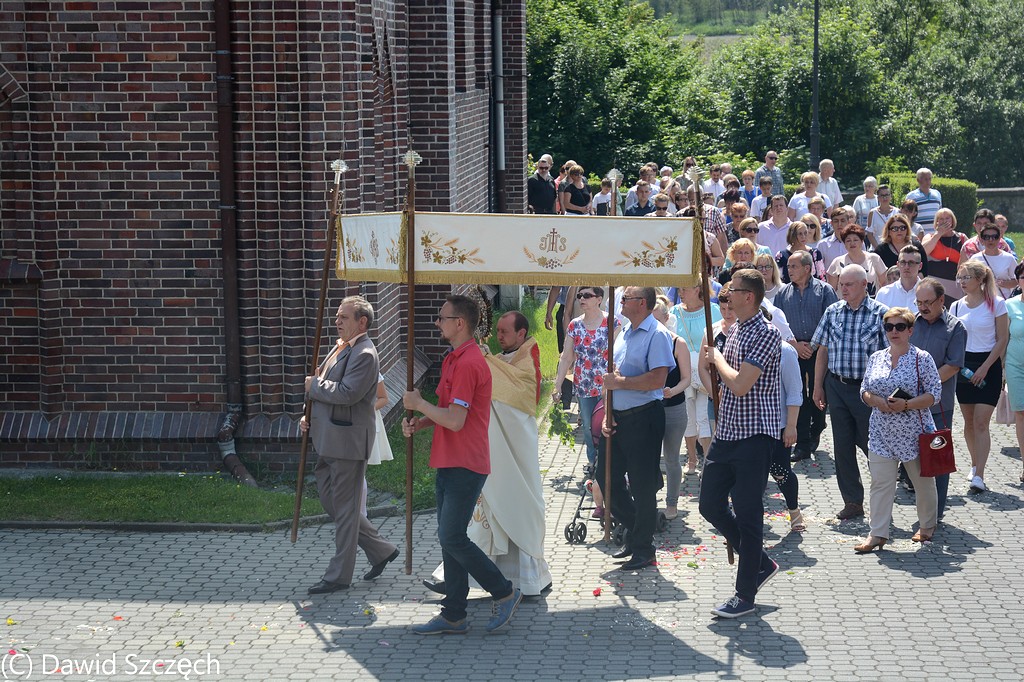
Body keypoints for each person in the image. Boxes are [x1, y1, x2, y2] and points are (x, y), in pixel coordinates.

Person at [403, 295, 522, 635]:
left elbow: (456, 421)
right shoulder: (454, 358)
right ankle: (454, 614)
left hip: (466, 462)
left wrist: (419, 404)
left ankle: (504, 591)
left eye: (442, 318)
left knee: (452, 536)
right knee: (449, 538)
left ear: (460, 323)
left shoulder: (469, 363)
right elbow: (448, 410)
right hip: (450, 460)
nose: (437, 323)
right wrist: (421, 422)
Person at [426, 311, 553, 598]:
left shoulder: (526, 361)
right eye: (497, 331)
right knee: (482, 519)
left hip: (514, 455)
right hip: (490, 452)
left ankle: (528, 579)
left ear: (521, 334)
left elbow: (520, 402)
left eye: (505, 332)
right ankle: (458, 581)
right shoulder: (495, 360)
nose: (499, 336)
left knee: (517, 508)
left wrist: (485, 363)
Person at [699, 268, 782, 619]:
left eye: (732, 290)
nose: (726, 295)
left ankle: (744, 595)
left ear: (748, 296)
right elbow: (721, 385)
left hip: (754, 437)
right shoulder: (734, 330)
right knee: (709, 505)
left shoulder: (766, 333)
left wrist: (716, 358)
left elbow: (740, 384)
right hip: (728, 433)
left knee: (749, 516)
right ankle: (760, 561)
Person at [302, 297, 400, 595]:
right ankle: (381, 550)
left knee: (345, 510)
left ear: (362, 322)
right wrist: (307, 415)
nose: (337, 321)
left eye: (343, 317)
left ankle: (338, 576)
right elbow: (322, 384)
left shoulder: (365, 354)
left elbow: (347, 393)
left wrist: (313, 386)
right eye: (337, 316)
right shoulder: (340, 347)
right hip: (327, 438)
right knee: (331, 502)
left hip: (347, 442)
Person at [854, 307, 942, 552]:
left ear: (910, 330)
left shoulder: (922, 358)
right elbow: (864, 390)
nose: (894, 331)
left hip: (915, 432)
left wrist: (907, 404)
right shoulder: (876, 357)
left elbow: (934, 394)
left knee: (922, 482)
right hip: (881, 431)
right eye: (889, 327)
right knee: (880, 483)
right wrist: (875, 400)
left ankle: (927, 526)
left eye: (900, 327)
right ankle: (877, 534)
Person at [601, 286, 675, 571]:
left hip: (643, 417)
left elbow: (657, 379)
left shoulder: (656, 334)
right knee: (605, 478)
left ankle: (643, 549)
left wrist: (620, 383)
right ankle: (637, 531)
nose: (621, 301)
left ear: (642, 303)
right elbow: (612, 377)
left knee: (642, 485)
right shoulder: (624, 331)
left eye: (626, 298)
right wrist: (608, 413)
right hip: (618, 418)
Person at [811, 265, 890, 519]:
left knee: (872, 446)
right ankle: (853, 502)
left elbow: (891, 357)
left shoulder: (881, 314)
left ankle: (882, 500)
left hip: (868, 391)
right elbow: (822, 350)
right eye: (841, 284)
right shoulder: (833, 311)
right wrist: (818, 386)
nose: (843, 289)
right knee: (842, 447)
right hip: (836, 386)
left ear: (864, 285)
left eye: (849, 284)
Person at [910, 277, 966, 519]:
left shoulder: (956, 327)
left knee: (937, 460)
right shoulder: (911, 323)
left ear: (941, 300)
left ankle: (935, 514)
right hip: (910, 405)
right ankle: (923, 507)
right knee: (913, 459)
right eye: (919, 302)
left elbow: (953, 365)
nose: (922, 307)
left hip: (938, 406)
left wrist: (924, 385)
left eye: (927, 302)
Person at [553, 286, 613, 511]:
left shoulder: (611, 323)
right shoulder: (575, 325)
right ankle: (595, 466)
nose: (582, 299)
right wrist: (558, 385)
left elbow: (619, 353)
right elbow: (567, 356)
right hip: (585, 385)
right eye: (580, 296)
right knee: (589, 428)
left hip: (607, 387)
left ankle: (610, 467)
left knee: (608, 426)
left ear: (599, 299)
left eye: (587, 296)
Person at [774, 250, 839, 461]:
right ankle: (802, 444)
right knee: (798, 396)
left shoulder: (825, 290)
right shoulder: (782, 294)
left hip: (820, 350)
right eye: (788, 266)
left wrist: (813, 345)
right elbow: (777, 325)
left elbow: (832, 321)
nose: (789, 270)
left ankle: (817, 427)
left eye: (794, 266)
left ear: (807, 268)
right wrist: (795, 345)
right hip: (793, 350)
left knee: (819, 393)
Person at [951, 261, 1008, 493]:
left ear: (980, 279)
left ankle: (980, 475)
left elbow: (1002, 338)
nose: (962, 282)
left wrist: (986, 367)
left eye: (966, 277)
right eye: (960, 277)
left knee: (981, 422)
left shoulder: (997, 303)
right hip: (964, 365)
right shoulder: (956, 306)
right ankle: (974, 464)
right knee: (968, 421)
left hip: (989, 365)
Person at [669, 279, 721, 478]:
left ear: (698, 289)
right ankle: (692, 459)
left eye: (684, 288)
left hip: (706, 372)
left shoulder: (714, 311)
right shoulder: (674, 313)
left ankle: (708, 461)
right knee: (688, 417)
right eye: (679, 289)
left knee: (703, 417)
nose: (680, 292)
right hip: (682, 374)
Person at [652, 295, 692, 519]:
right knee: (648, 457)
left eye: (658, 320)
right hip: (650, 408)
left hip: (674, 408)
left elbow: (686, 379)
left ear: (667, 319)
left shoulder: (678, 343)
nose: (654, 325)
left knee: (671, 458)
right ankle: (648, 499)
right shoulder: (646, 340)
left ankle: (672, 504)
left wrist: (672, 391)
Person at [1004, 262, 1024, 484]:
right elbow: (1004, 338)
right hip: (1015, 366)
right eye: (1023, 277)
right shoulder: (1009, 305)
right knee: (1021, 414)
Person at [922, 207, 968, 303]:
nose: (944, 221)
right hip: (933, 286)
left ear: (952, 220)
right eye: (941, 219)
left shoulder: (962, 238)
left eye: (947, 218)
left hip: (955, 287)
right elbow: (923, 252)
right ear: (936, 222)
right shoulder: (929, 237)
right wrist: (938, 234)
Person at [826, 225, 887, 294]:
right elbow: (831, 291)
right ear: (844, 244)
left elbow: (885, 283)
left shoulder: (874, 258)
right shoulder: (837, 262)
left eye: (855, 240)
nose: (852, 243)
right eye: (848, 241)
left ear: (862, 242)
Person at [970, 221, 1018, 299]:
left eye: (994, 237)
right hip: (982, 300)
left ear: (999, 239)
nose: (991, 240)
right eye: (986, 237)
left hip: (1003, 301)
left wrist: (1003, 283)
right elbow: (970, 280)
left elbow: (1017, 281)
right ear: (981, 240)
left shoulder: (1009, 258)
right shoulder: (975, 259)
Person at [545, 286, 575, 409]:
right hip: (565, 311)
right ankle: (564, 399)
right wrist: (548, 312)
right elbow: (556, 287)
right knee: (565, 354)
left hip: (590, 309)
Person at [876, 244, 924, 312]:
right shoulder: (884, 293)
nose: (906, 267)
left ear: (920, 266)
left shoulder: (929, 293)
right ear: (898, 265)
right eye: (903, 262)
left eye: (911, 263)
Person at [775, 219, 826, 283]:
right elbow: (778, 279)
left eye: (805, 233)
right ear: (792, 235)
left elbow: (822, 277)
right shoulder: (781, 255)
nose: (803, 236)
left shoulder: (815, 253)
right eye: (800, 234)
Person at [904, 167, 942, 235]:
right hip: (918, 234)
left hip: (935, 234)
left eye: (930, 179)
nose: (928, 181)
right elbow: (906, 215)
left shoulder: (937, 194)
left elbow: (940, 213)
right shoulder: (911, 196)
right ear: (918, 180)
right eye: (926, 179)